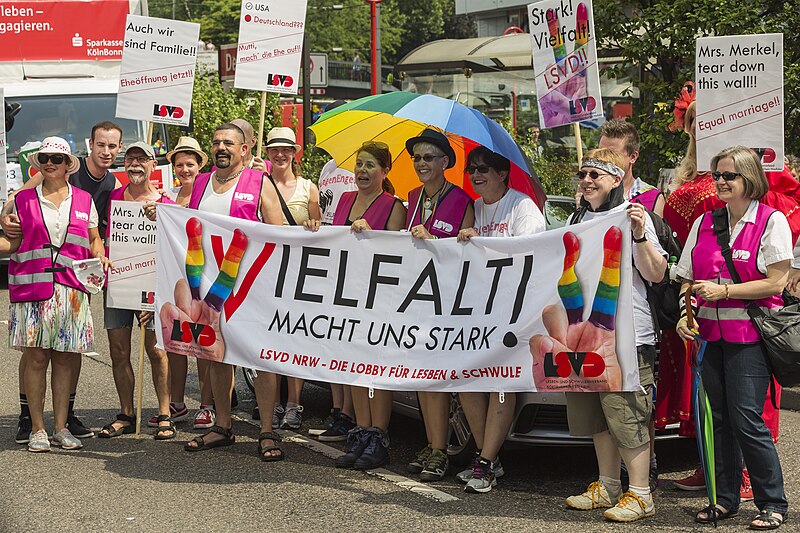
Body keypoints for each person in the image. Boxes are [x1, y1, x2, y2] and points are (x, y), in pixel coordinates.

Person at [676, 146, 791, 530]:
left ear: (750, 179)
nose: (721, 182)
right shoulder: (705, 222)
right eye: (717, 175)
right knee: (718, 420)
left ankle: (772, 502)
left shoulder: (772, 221)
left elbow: (776, 281)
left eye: (730, 175)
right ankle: (724, 500)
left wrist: (725, 292)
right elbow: (687, 278)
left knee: (746, 419)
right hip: (708, 335)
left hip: (750, 337)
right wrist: (683, 316)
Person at [560, 148, 667, 522]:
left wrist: (639, 235)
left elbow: (656, 273)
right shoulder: (577, 218)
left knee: (626, 414)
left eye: (596, 175)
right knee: (598, 416)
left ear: (616, 179)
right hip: (587, 336)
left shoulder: (634, 216)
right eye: (583, 174)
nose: (587, 180)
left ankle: (640, 493)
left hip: (628, 335)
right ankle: (607, 485)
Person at [2, 121, 124, 444]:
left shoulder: (84, 201)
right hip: (33, 291)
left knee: (66, 358)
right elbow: (11, 243)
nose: (51, 164)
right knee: (37, 358)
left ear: (69, 164)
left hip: (71, 290)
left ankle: (61, 428)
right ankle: (37, 429)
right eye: (45, 159)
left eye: (57, 159)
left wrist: (101, 255)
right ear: (39, 164)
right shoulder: (23, 201)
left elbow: (94, 239)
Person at [181, 123, 285, 461]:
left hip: (251, 287)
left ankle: (267, 431)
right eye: (216, 142)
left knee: (262, 358)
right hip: (210, 288)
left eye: (229, 142)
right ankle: (223, 426)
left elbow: (280, 232)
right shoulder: (199, 183)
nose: (221, 147)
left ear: (244, 150)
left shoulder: (259, 183)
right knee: (216, 355)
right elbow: (183, 224)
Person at [306, 141, 406, 469]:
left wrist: (372, 233)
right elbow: (334, 240)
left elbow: (396, 255)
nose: (362, 171)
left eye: (370, 166)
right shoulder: (346, 199)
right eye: (359, 165)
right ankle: (361, 433)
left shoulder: (393, 206)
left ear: (385, 171)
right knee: (354, 367)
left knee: (375, 370)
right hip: (347, 294)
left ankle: (378, 437)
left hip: (377, 299)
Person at [456, 146, 545, 493]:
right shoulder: (472, 208)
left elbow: (532, 252)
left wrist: (485, 243)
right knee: (466, 382)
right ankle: (487, 458)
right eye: (472, 169)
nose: (477, 175)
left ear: (503, 173)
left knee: (501, 385)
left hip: (514, 313)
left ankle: (485, 464)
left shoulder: (522, 206)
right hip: (477, 312)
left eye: (484, 169)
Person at [404, 128, 475, 482]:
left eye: (428, 157)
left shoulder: (463, 200)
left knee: (441, 380)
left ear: (445, 162)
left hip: (448, 301)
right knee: (423, 377)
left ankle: (443, 450)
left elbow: (468, 253)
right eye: (416, 158)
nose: (420, 163)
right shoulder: (412, 196)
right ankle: (432, 445)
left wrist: (432, 239)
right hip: (416, 300)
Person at [98, 142, 177, 440]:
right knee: (118, 351)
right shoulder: (113, 197)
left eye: (142, 159)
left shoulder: (166, 203)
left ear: (152, 164)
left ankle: (165, 413)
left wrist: (154, 297)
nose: (135, 164)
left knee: (156, 352)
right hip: (118, 285)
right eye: (130, 158)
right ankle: (126, 414)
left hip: (152, 290)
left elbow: (172, 253)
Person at [155, 137, 216, 430]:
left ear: (200, 165)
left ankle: (207, 405)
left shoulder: (208, 195)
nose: (184, 169)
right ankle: (177, 403)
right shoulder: (167, 197)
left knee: (203, 339)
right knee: (176, 340)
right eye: (179, 164)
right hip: (173, 275)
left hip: (203, 275)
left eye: (190, 164)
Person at [263, 126, 321, 431]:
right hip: (267, 272)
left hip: (299, 273)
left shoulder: (308, 187)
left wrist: (314, 222)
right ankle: (272, 404)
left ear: (294, 153)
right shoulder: (259, 183)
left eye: (286, 149)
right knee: (270, 338)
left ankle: (294, 404)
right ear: (268, 153)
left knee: (295, 338)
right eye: (275, 149)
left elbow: (319, 225)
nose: (280, 154)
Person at [598, 119, 665, 216]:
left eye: (613, 154)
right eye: (601, 152)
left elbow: (659, 231)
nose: (604, 159)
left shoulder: (652, 197)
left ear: (633, 157)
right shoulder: (592, 194)